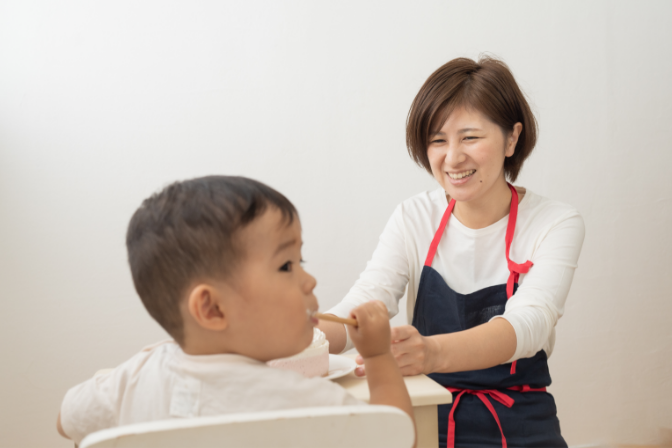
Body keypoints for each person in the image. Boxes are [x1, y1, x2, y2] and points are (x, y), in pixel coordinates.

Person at [318, 57, 585, 448]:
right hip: (427, 410)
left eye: (470, 137)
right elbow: (366, 301)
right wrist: (304, 339)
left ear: (512, 138)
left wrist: (429, 352)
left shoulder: (555, 222)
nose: (453, 157)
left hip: (520, 417)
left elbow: (530, 325)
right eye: (438, 140)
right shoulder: (414, 216)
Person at [56, 175, 415, 446]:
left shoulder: (133, 379)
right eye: (287, 266)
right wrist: (379, 355)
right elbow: (398, 437)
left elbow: (65, 420)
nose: (310, 280)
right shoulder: (308, 401)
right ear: (211, 308)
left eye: (299, 260)